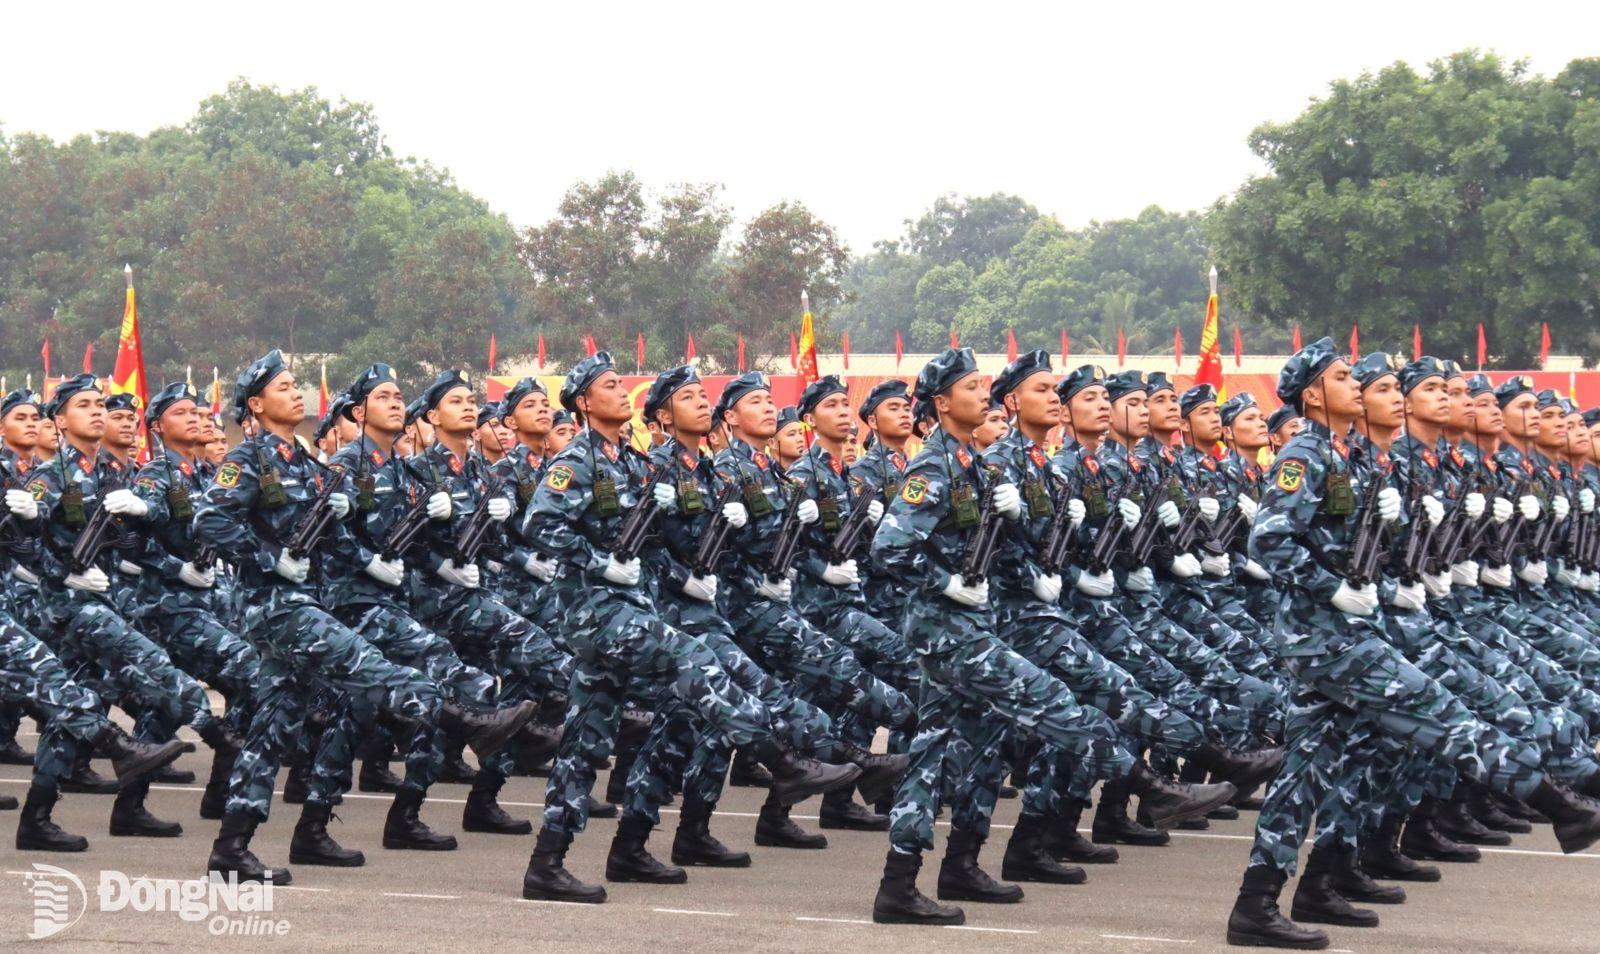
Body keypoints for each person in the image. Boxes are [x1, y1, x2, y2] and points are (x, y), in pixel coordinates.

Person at [1224, 338, 1600, 949]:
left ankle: (1271, 899)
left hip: (1354, 630)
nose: (1357, 386)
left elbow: (1366, 548)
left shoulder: (1349, 456)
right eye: (1344, 379)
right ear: (1313, 395)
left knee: (1310, 771)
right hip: (1326, 638)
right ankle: (1563, 804)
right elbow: (1267, 542)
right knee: (1442, 715)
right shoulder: (1304, 455)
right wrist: (1331, 587)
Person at [870, 348, 1234, 927]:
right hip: (947, 631)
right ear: (942, 403)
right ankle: (1149, 785)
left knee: (953, 752)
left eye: (984, 384)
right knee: (1053, 701)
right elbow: (889, 549)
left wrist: (1023, 536)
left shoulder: (974, 465)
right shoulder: (933, 467)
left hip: (975, 624)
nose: (983, 393)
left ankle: (926, 875)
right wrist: (948, 584)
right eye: (972, 386)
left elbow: (1003, 548)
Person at [519, 351, 859, 904]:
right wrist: (598, 561)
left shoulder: (631, 463)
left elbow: (665, 539)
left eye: (621, 384)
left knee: (585, 742)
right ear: (584, 402)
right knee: (694, 659)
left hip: (632, 609)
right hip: (596, 611)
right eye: (610, 386)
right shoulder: (577, 459)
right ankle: (780, 759)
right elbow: (539, 522)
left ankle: (552, 862)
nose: (620, 392)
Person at [195, 351, 534, 885]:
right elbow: (209, 519)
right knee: (374, 669)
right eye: (283, 387)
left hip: (309, 601)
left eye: (295, 385)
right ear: (255, 405)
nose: (295, 393)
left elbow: (341, 534)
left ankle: (234, 848)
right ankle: (465, 720)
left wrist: (358, 528)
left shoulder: (306, 465)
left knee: (272, 729)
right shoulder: (251, 459)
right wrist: (270, 557)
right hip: (276, 606)